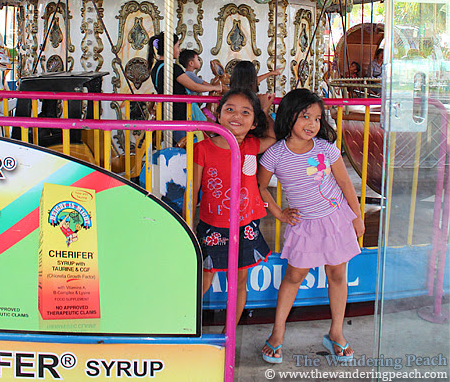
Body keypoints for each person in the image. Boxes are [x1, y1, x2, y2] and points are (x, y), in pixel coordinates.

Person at [258, 88, 364, 364]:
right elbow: (261, 187)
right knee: (294, 276)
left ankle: (336, 332)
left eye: (317, 118)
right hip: (304, 225)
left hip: (335, 220)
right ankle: (277, 332)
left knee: (337, 274)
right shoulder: (274, 154)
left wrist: (356, 216)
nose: (313, 124)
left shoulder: (326, 149)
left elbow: (345, 183)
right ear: (289, 115)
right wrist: (279, 214)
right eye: (306, 116)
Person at [185, 88, 276, 327]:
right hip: (212, 226)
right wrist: (188, 224)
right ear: (219, 114)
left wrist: (264, 110)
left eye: (246, 112)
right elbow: (192, 190)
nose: (237, 116)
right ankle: (183, 324)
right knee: (204, 278)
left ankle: (229, 333)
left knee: (239, 280)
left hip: (246, 225)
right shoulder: (203, 149)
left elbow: (273, 138)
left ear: (254, 122)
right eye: (230, 109)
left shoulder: (252, 145)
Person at [147, 33, 218, 143]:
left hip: (167, 113)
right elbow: (194, 86)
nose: (179, 50)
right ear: (169, 47)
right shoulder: (173, 68)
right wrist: (214, 88)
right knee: (194, 144)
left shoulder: (156, 68)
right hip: (179, 115)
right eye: (178, 46)